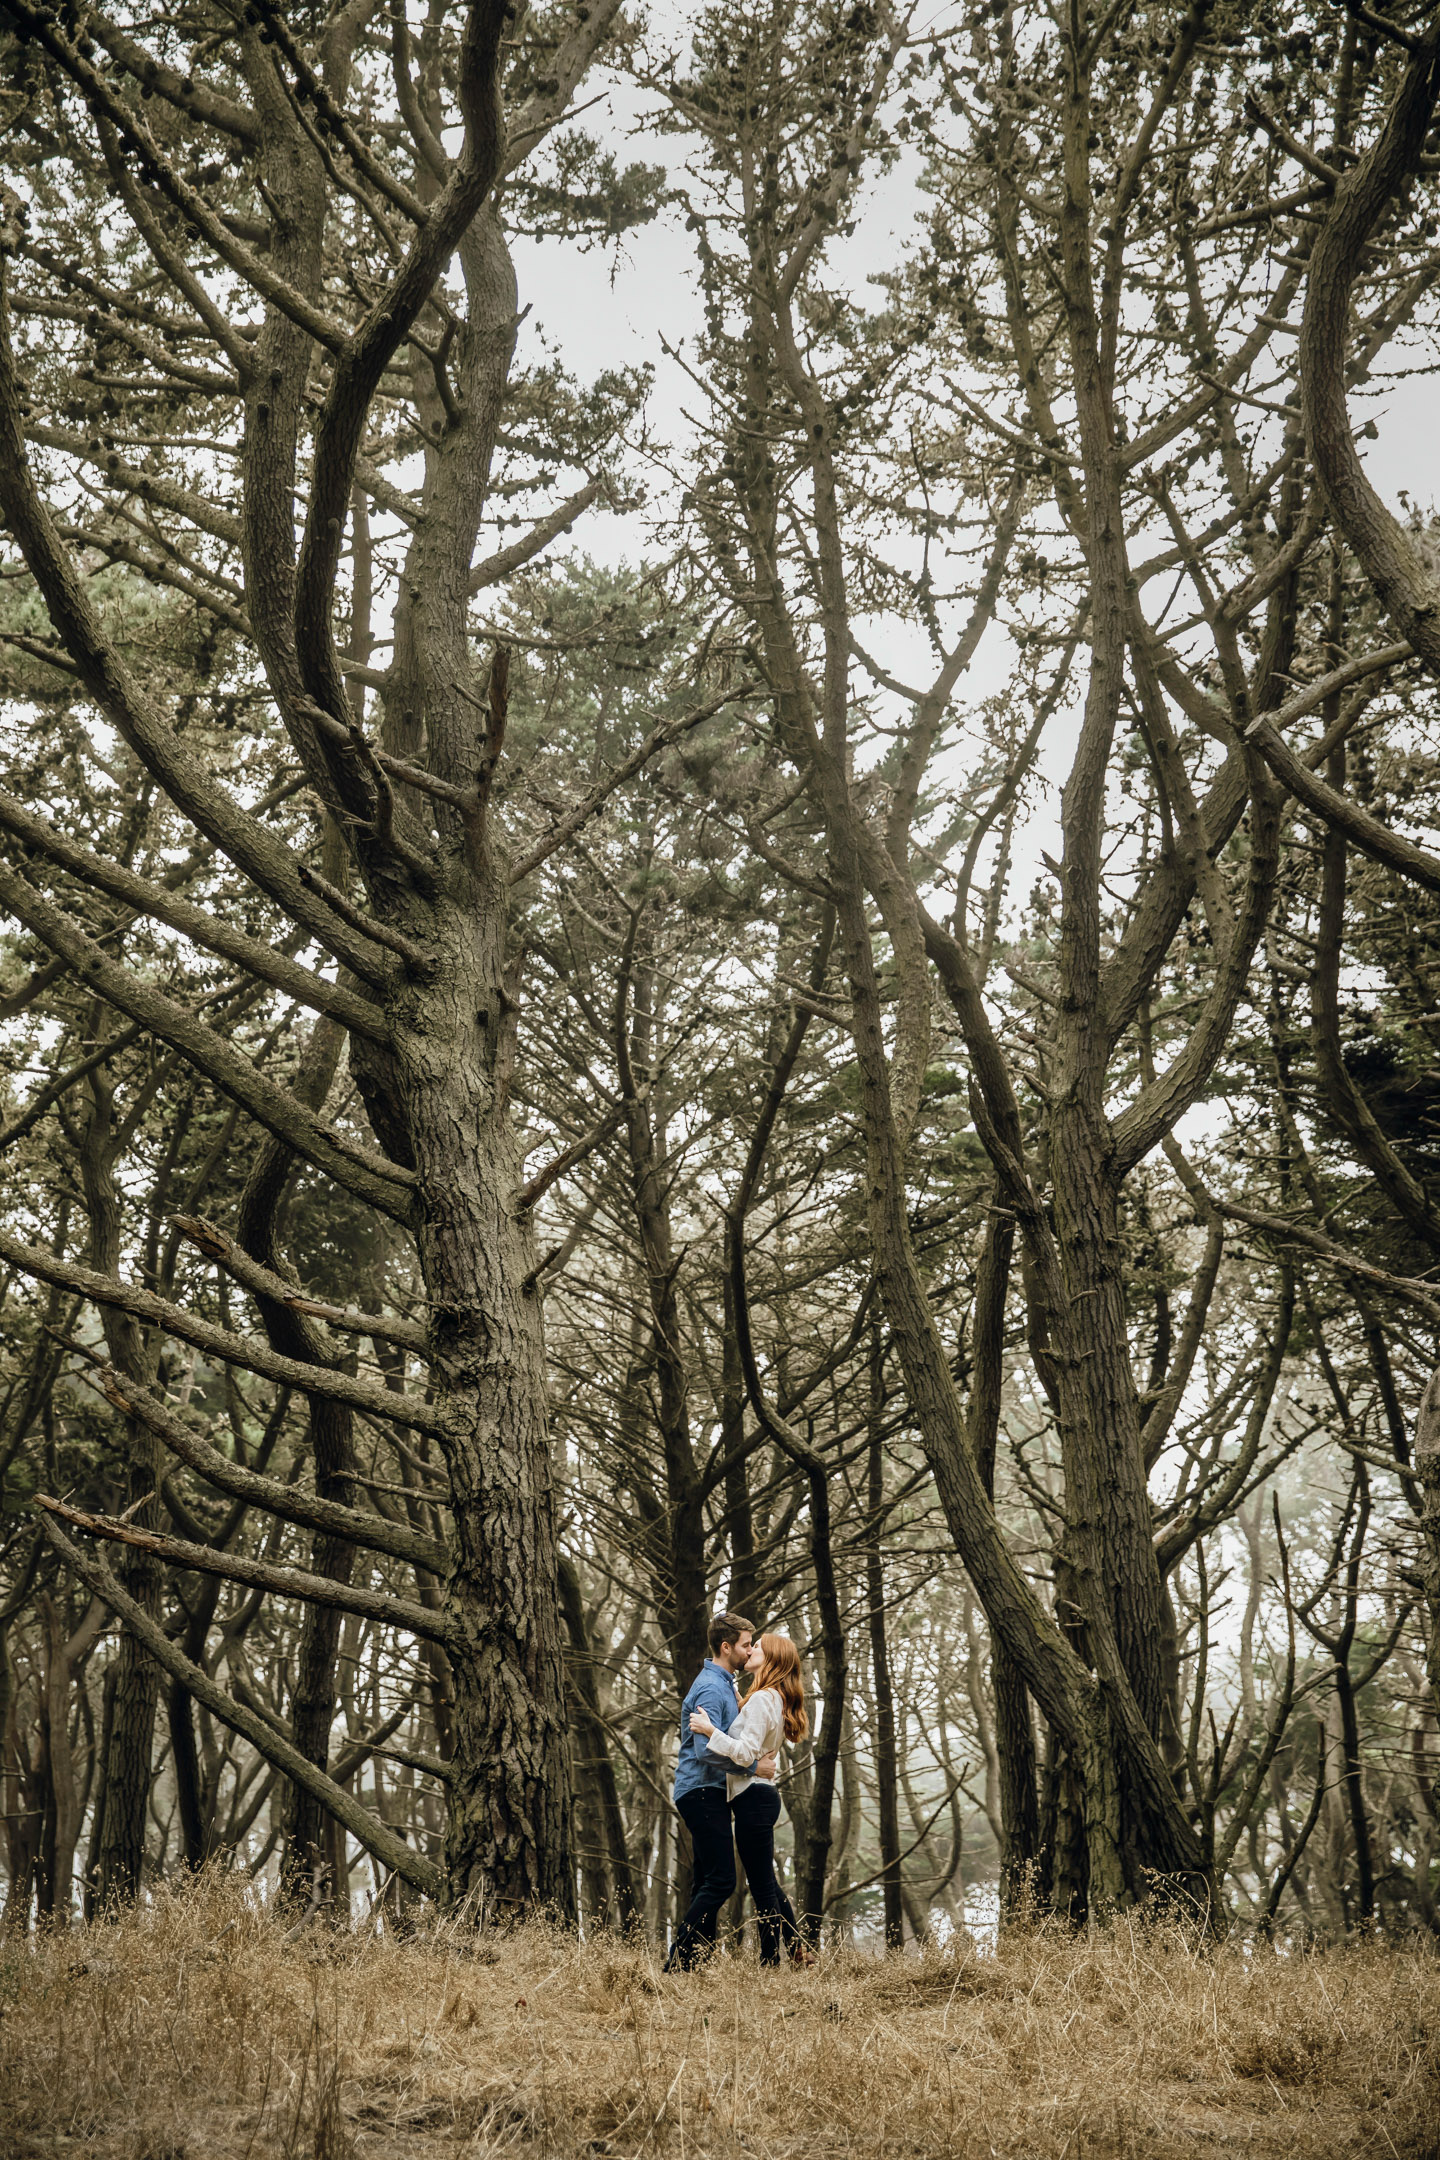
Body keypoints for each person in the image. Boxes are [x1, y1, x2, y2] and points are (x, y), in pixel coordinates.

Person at [689, 1631, 811, 1966]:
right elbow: (765, 1755)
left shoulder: (763, 1700)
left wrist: (710, 1730)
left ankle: (770, 1960)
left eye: (758, 1646)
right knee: (765, 1879)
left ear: (771, 1659)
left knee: (761, 1886)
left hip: (753, 1800)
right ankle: (798, 1948)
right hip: (760, 1798)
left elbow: (745, 1753)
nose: (751, 1649)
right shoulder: (770, 1697)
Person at [664, 1611, 776, 1972]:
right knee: (723, 1879)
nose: (749, 1652)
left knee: (706, 1879)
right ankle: (677, 1961)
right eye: (745, 1645)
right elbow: (704, 1751)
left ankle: (693, 1963)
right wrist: (752, 1767)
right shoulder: (712, 1687)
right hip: (700, 1790)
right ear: (726, 1647)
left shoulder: (725, 1683)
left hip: (708, 1791)